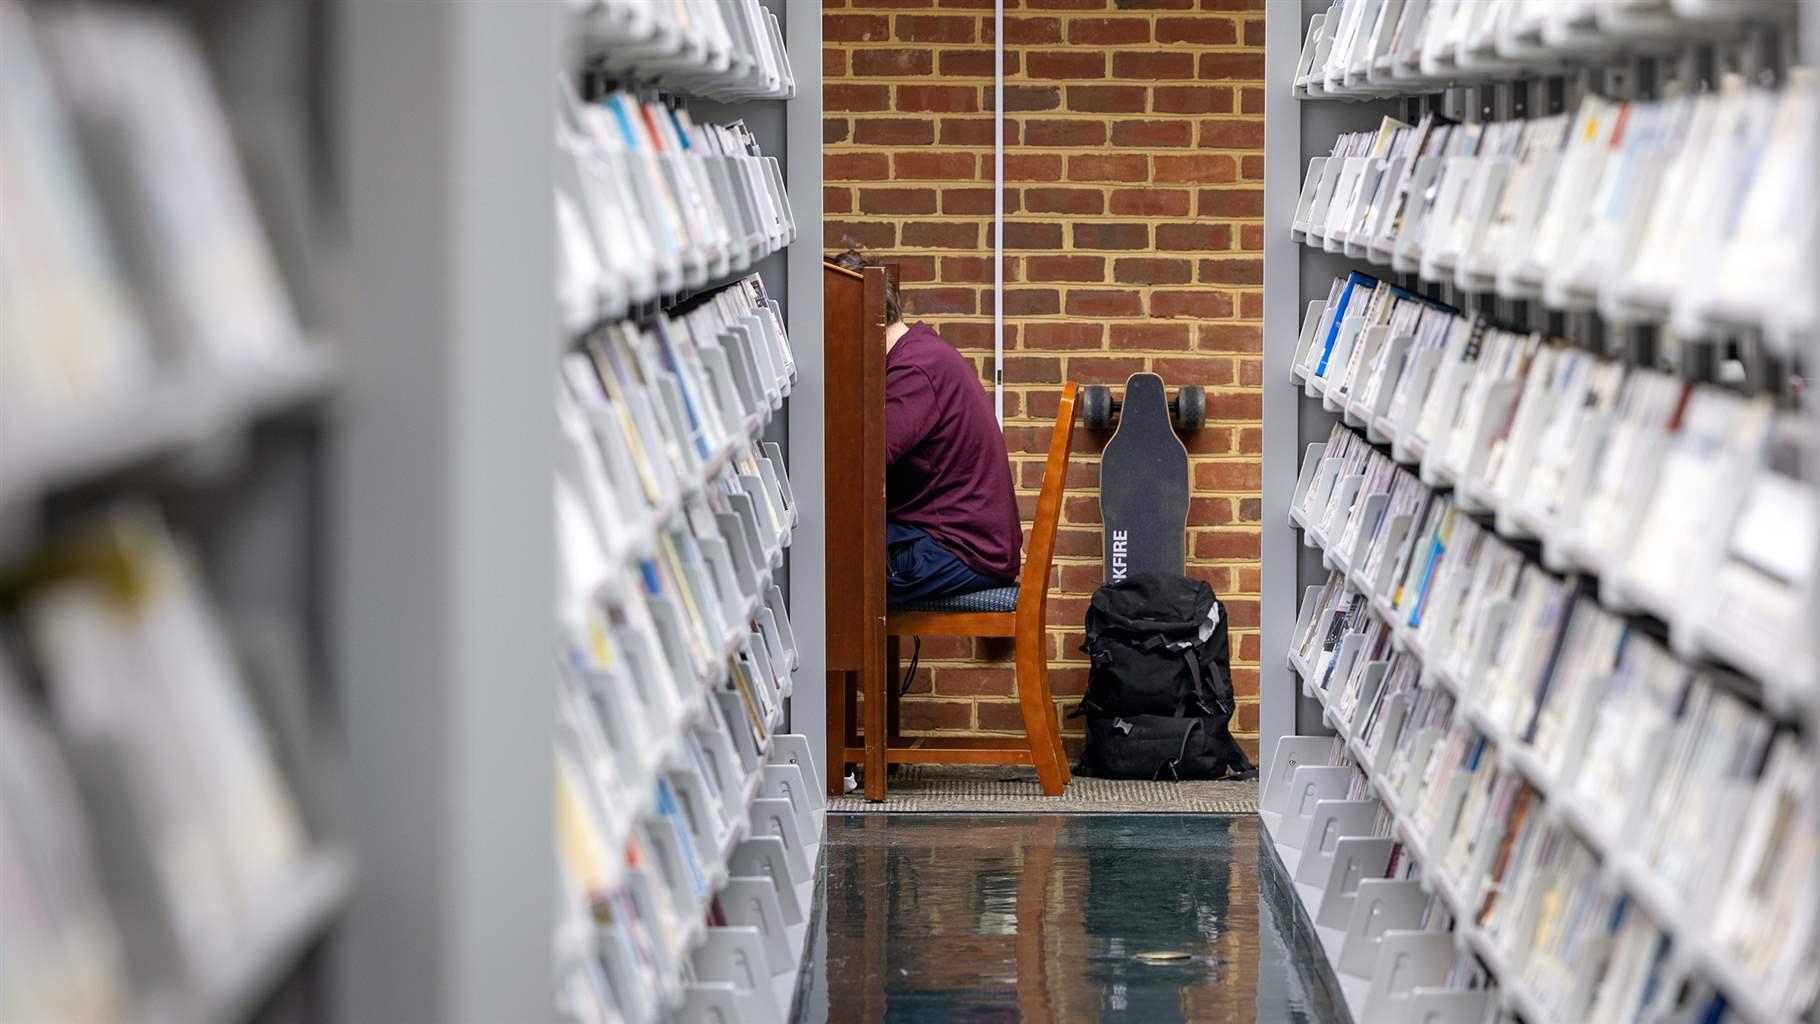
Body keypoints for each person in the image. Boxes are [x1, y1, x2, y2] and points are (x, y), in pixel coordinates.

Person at [833, 250, 1022, 606]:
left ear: (851, 318)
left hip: (959, 550)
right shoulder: (919, 352)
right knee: (836, 552)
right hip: (965, 540)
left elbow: (861, 464)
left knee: (831, 574)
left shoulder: (913, 371)